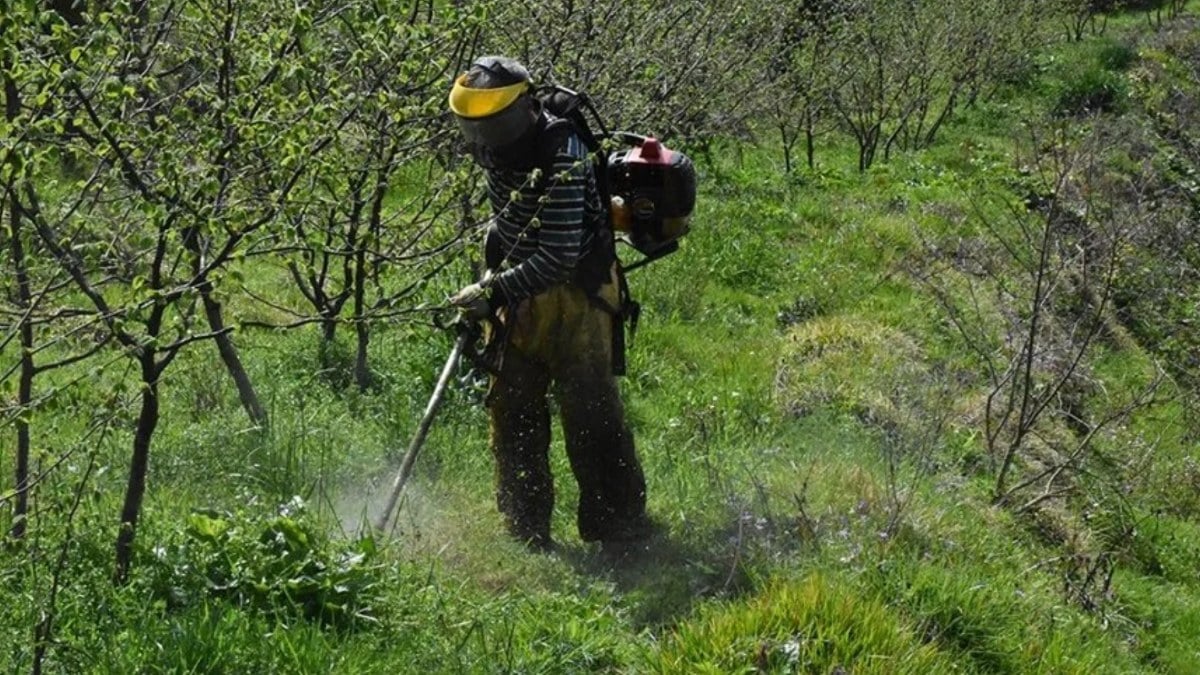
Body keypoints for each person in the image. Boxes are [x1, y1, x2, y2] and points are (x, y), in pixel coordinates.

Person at [447, 56, 651, 553]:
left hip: (579, 294)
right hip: (521, 291)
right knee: (512, 406)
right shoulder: (495, 154)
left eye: (492, 126)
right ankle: (526, 528)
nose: (484, 139)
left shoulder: (564, 152)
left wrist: (493, 292)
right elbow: (512, 220)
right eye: (477, 129)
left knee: (590, 413)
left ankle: (618, 527)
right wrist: (494, 271)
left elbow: (558, 255)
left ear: (517, 112)